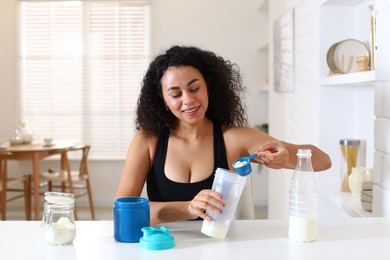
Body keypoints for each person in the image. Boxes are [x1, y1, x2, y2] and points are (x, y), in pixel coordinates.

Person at [116, 45, 332, 225]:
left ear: (208, 87)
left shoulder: (234, 139)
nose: (188, 100)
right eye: (175, 94)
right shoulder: (147, 141)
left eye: (194, 89)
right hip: (165, 246)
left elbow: (323, 160)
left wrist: (287, 157)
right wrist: (188, 208)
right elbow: (124, 210)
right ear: (162, 98)